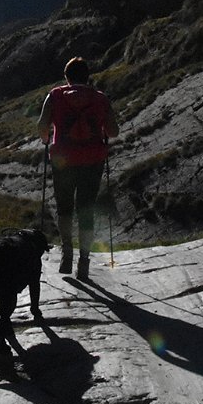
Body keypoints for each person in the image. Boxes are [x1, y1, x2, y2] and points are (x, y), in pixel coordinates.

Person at [37, 56, 118, 280]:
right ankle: (84, 261)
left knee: (64, 208)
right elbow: (113, 132)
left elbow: (42, 126)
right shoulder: (100, 98)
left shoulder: (55, 96)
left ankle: (66, 253)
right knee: (86, 209)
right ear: (88, 76)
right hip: (93, 160)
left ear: (67, 77)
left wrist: (47, 139)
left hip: (63, 159)